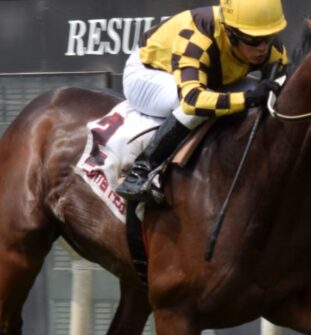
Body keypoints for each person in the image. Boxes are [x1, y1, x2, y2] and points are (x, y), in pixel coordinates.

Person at [116, 0, 290, 204]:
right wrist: (247, 99)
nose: (263, 48)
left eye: (268, 37)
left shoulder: (270, 47)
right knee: (196, 108)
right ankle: (140, 172)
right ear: (230, 33)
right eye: (253, 40)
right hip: (148, 74)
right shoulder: (198, 36)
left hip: (209, 79)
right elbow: (192, 100)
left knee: (262, 93)